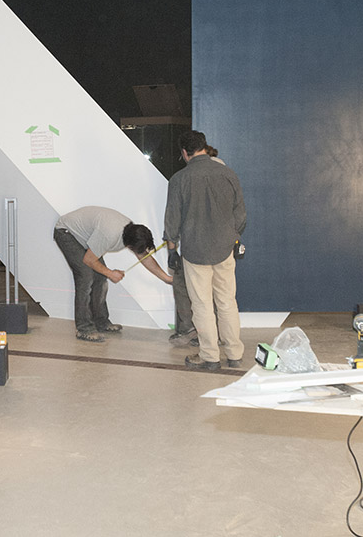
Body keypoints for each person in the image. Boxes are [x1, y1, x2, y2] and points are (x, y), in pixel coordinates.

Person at [164, 131, 247, 370]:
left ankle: (210, 356)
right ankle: (234, 354)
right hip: (224, 249)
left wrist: (172, 249)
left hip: (195, 250)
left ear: (184, 152)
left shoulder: (179, 179)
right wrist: (234, 237)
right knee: (227, 302)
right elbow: (240, 215)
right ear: (204, 147)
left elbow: (172, 220)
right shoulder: (228, 174)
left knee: (201, 305)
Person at [54, 206, 173, 342]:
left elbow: (144, 257)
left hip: (83, 237)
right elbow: (89, 260)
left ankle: (101, 322)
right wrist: (111, 273)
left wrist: (166, 278)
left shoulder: (131, 232)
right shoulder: (109, 234)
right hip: (66, 232)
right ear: (129, 245)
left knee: (100, 277)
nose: (139, 252)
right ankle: (83, 329)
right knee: (86, 277)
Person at [167, 144, 225, 347]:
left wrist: (172, 248)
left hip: (196, 246)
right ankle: (221, 338)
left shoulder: (190, 175)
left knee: (196, 294)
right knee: (221, 295)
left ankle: (199, 338)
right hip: (221, 246)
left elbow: (175, 214)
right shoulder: (225, 172)